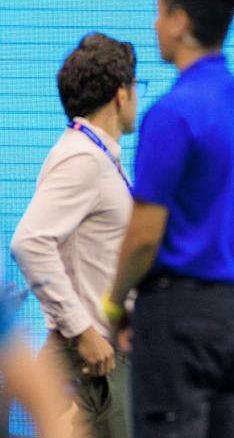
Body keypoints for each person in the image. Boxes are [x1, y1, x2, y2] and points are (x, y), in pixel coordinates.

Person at [106, 0, 234, 437]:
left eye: (159, 12)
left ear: (180, 21)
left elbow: (143, 237)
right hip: (231, 315)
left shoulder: (172, 112)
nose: (154, 25)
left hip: (178, 322)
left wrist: (113, 304)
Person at [11, 32, 138, 437]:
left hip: (105, 352)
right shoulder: (82, 159)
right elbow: (29, 242)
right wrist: (82, 330)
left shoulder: (94, 156)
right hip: (90, 362)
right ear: (121, 95)